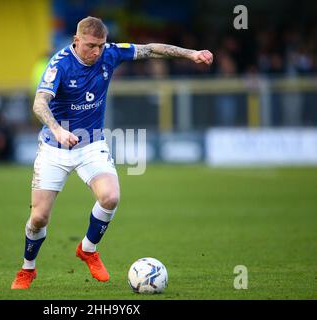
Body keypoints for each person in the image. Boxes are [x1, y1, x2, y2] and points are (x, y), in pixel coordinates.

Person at [11, 16, 213, 289]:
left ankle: (88, 249)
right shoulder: (59, 64)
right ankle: (28, 268)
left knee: (110, 197)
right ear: (76, 41)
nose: (96, 51)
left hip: (91, 144)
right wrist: (58, 129)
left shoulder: (110, 53)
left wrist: (192, 54)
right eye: (91, 45)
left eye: (101, 45)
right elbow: (39, 103)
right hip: (54, 148)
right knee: (39, 218)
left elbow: (151, 49)